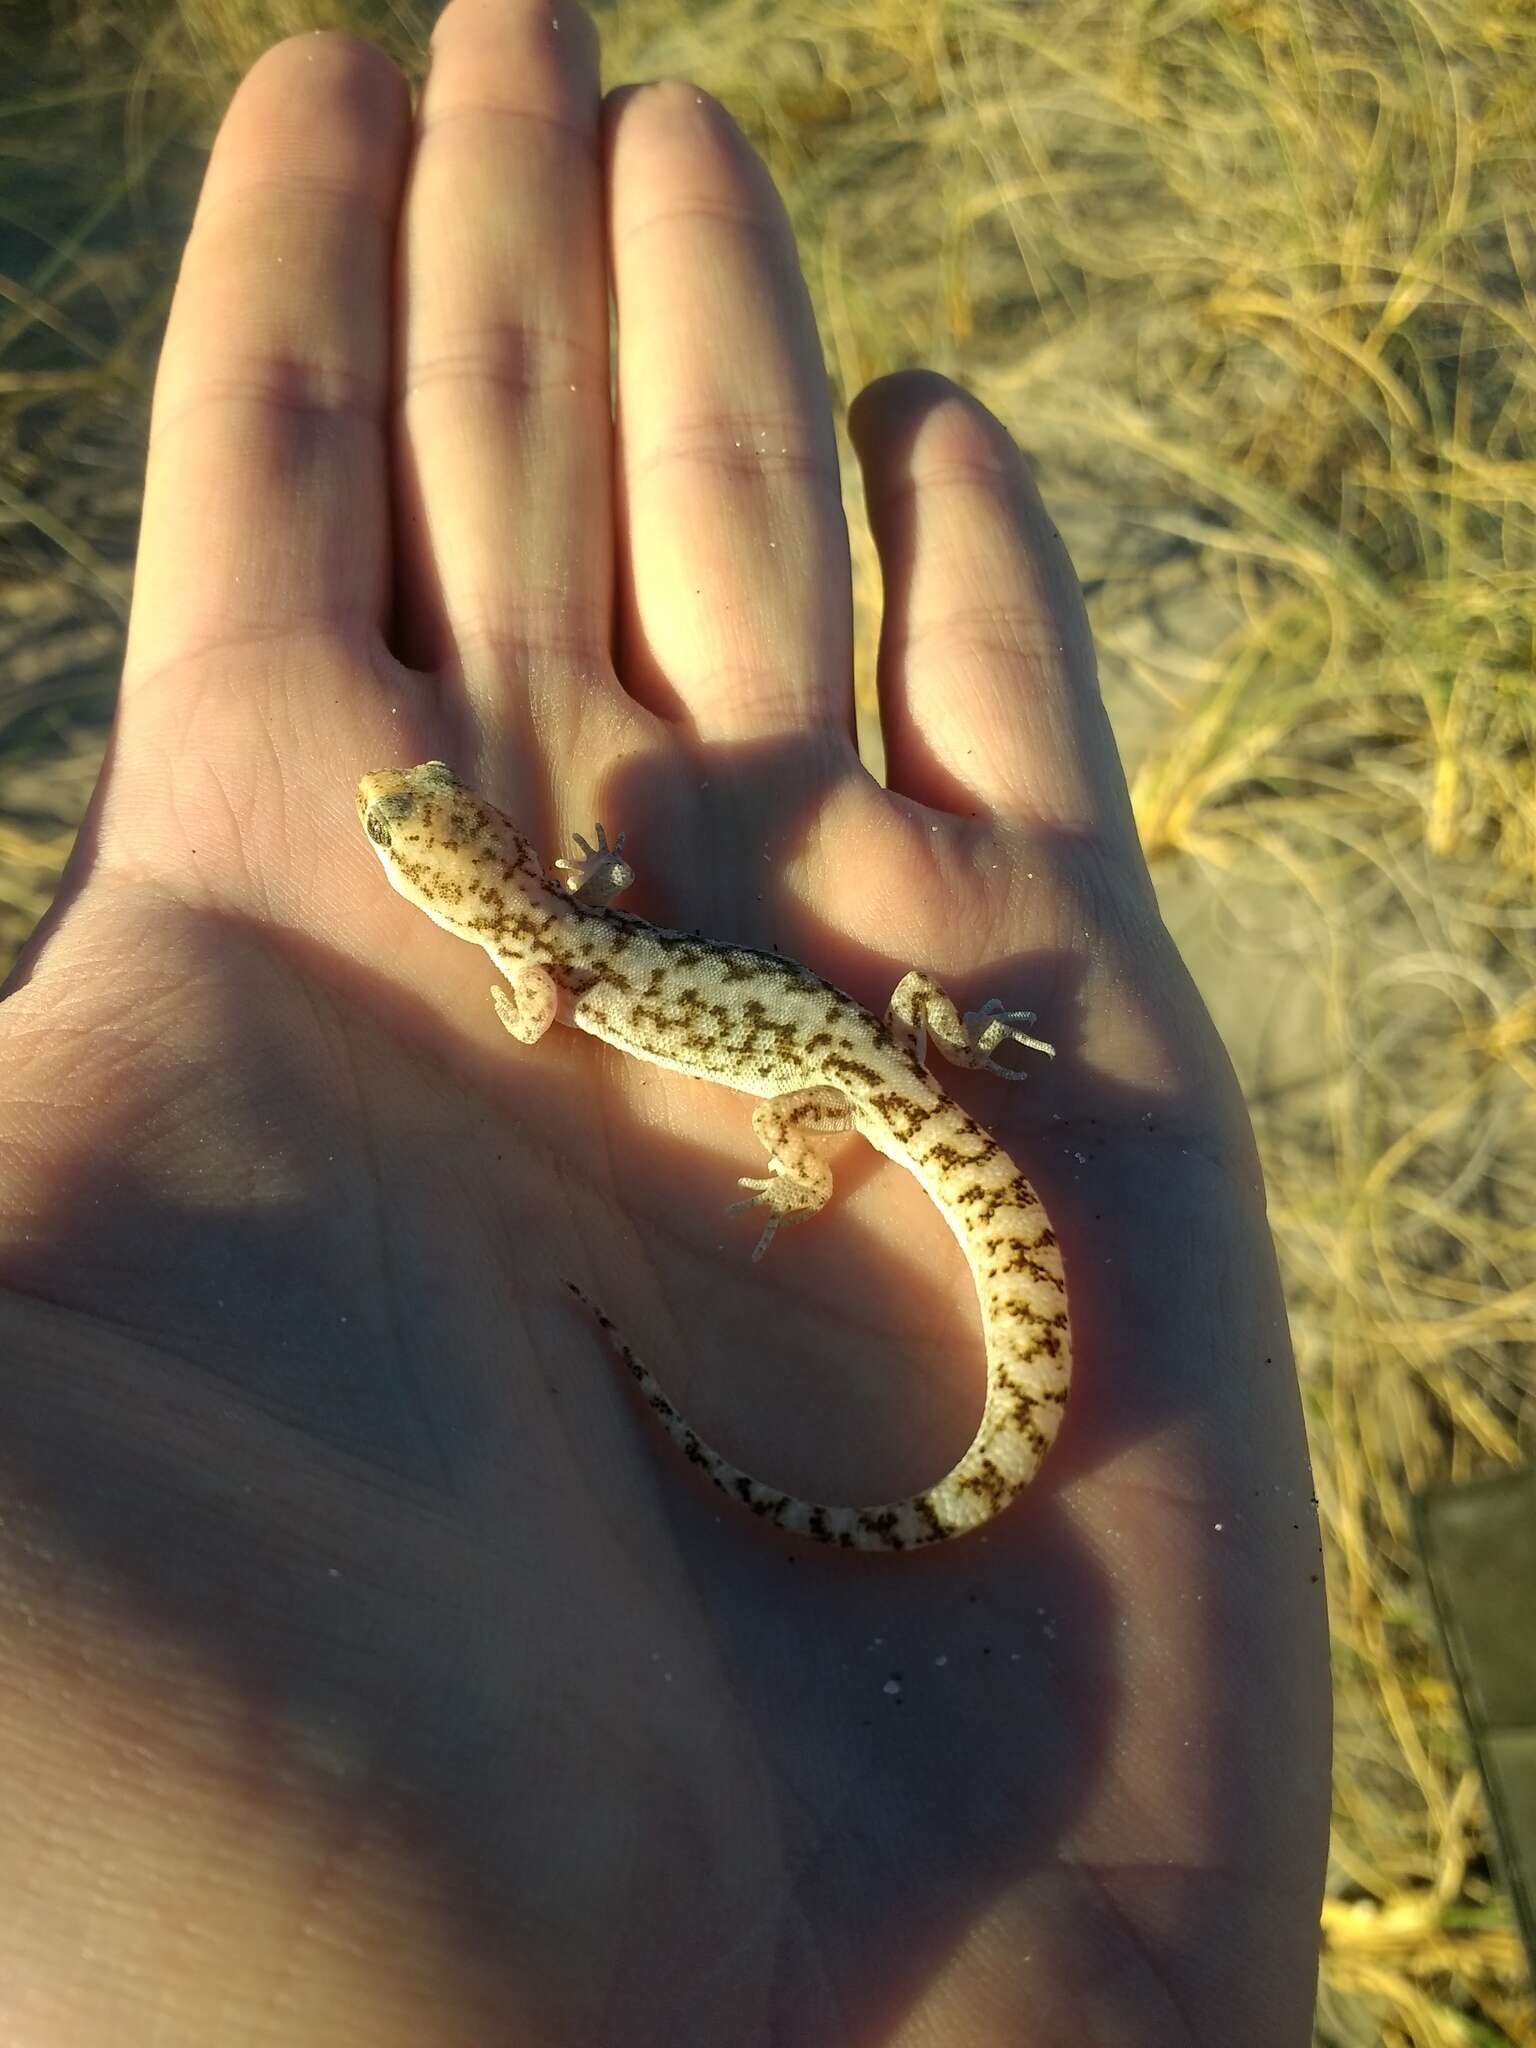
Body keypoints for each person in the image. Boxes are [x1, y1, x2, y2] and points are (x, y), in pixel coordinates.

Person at [0, 1, 1329, 2038]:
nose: (401, 821)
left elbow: (546, 1021)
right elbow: (598, 951)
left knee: (861, 1134)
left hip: (839, 1077)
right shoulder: (579, 911)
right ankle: (868, 1229)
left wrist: (674, 1055)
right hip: (860, 1051)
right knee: (881, 1091)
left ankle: (835, 1371)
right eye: (412, 831)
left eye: (410, 832)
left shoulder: (543, 963)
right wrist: (773, 1050)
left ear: (462, 881)